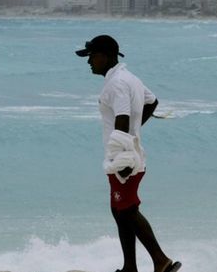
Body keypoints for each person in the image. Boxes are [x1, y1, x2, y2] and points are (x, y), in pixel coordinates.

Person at [76, 35, 181, 272]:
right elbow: (152, 102)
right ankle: (130, 267)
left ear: (105, 55)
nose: (89, 62)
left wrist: (122, 157)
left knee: (127, 210)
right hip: (130, 154)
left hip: (124, 160)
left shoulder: (116, 84)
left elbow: (122, 118)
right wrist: (135, 132)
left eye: (91, 56)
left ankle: (161, 261)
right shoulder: (129, 78)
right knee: (120, 211)